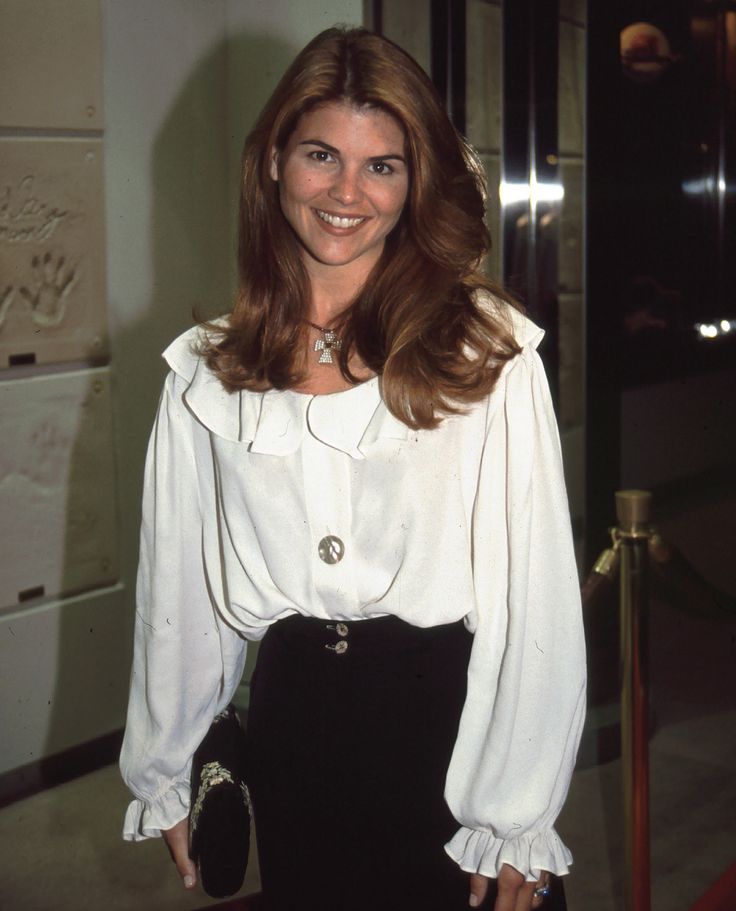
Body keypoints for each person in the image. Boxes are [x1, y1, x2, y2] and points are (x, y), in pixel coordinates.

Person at [120, 26, 586, 911]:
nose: (347, 192)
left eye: (383, 166)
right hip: (297, 731)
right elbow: (179, 595)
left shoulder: (485, 353)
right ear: (273, 165)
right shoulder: (208, 373)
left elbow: (536, 599)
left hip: (453, 731)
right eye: (321, 155)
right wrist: (166, 761)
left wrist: (517, 814)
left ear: (415, 186)